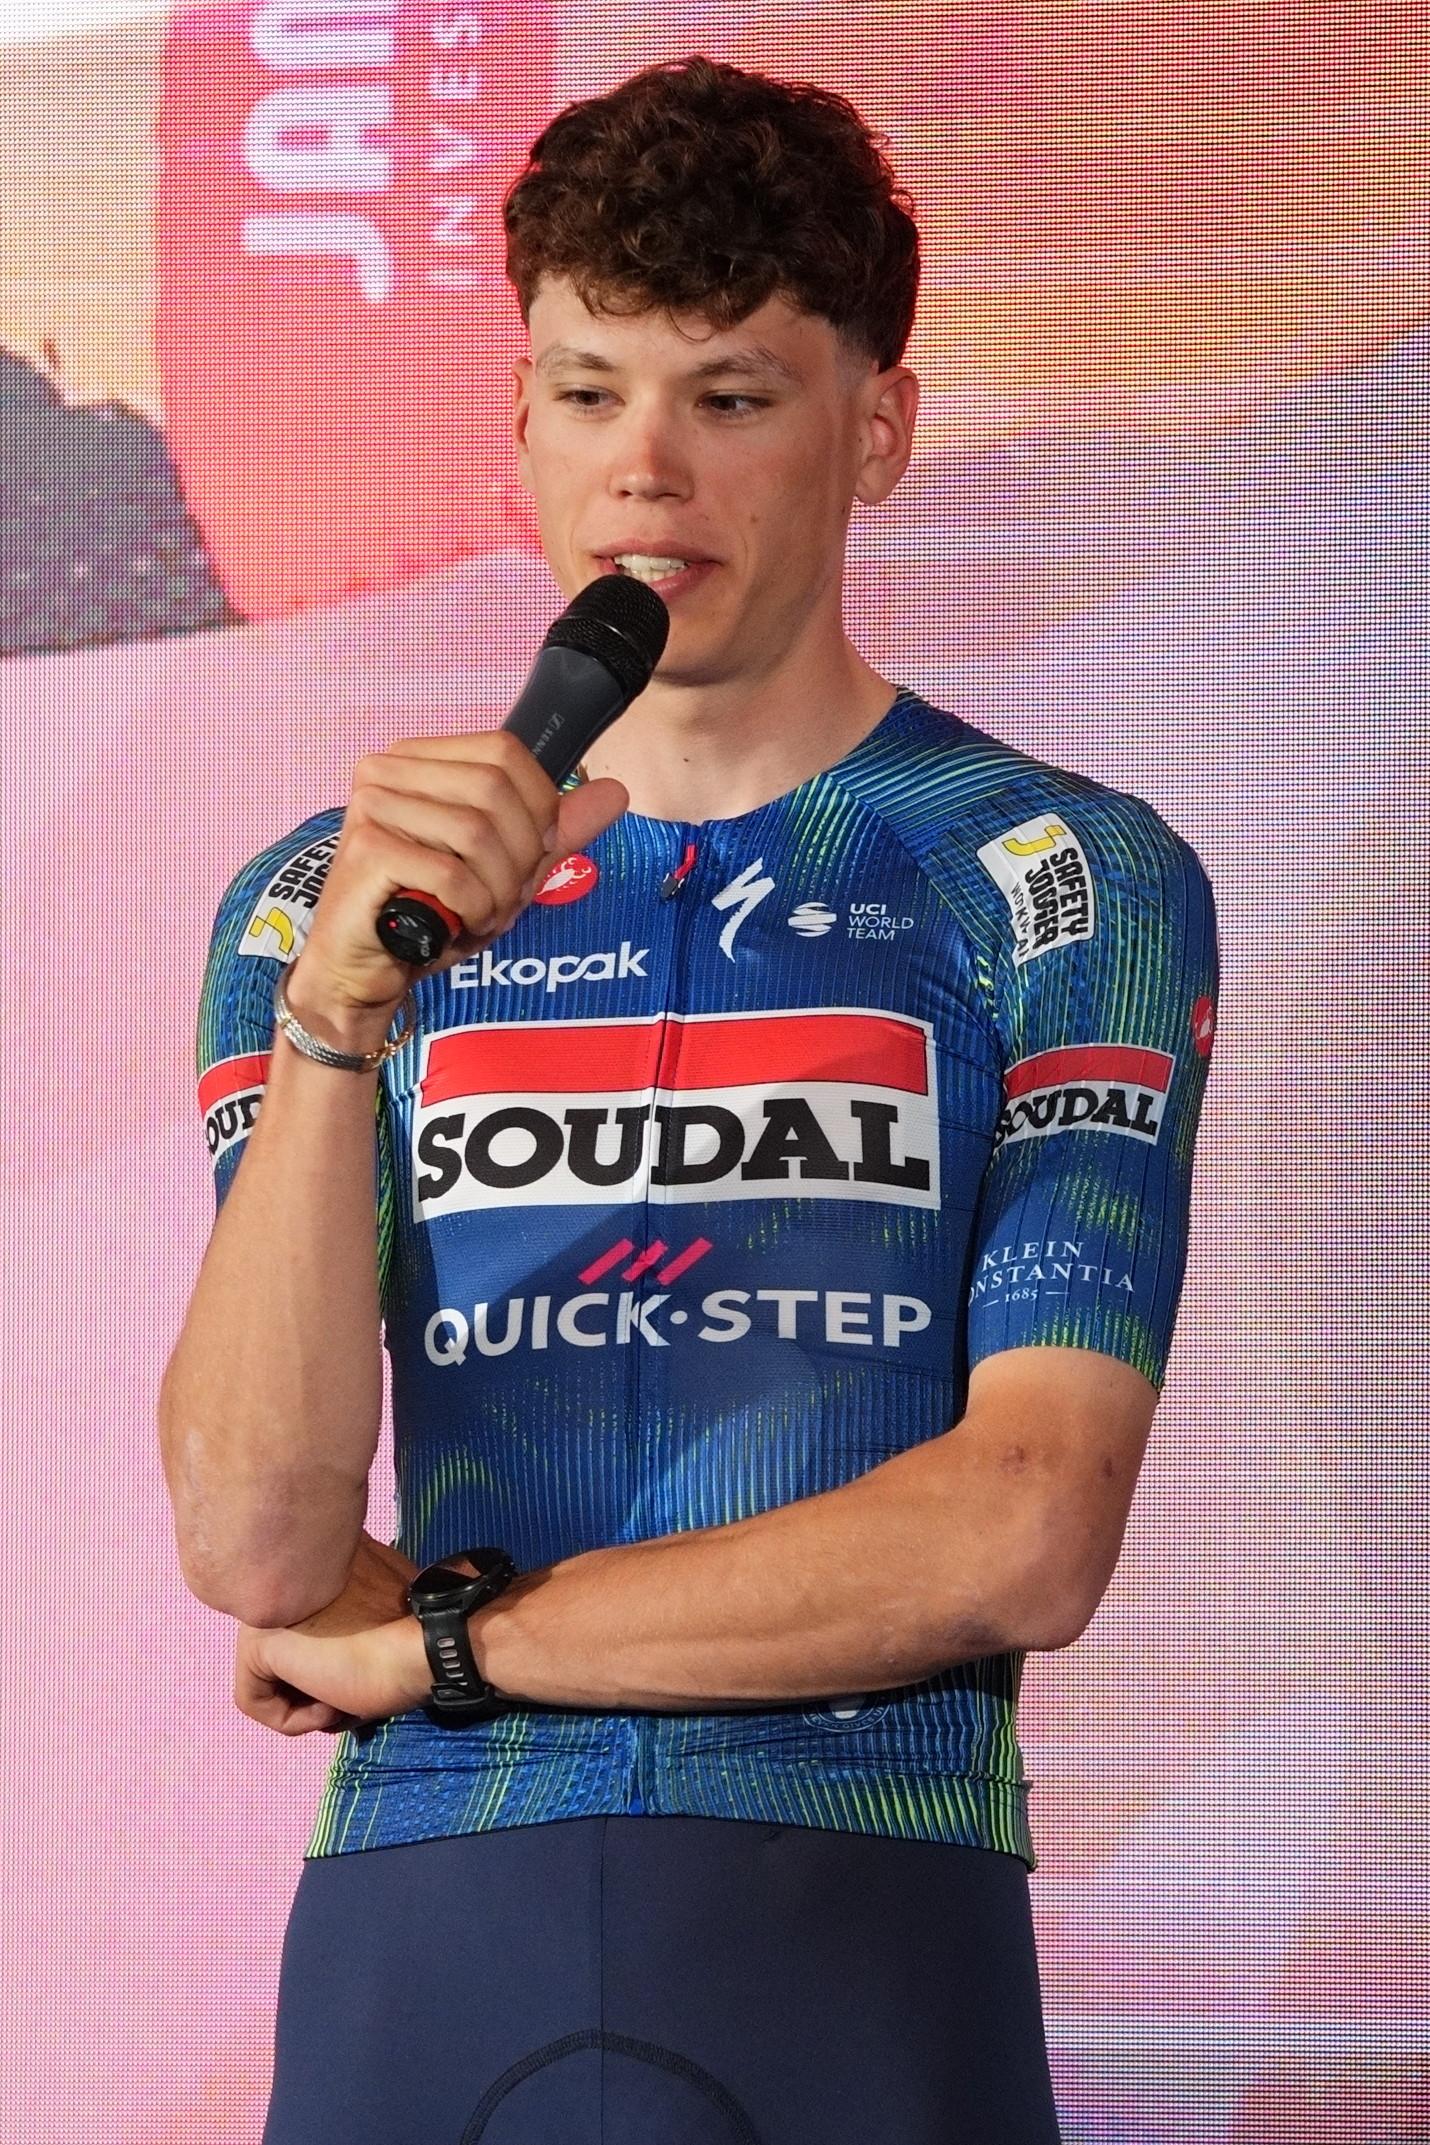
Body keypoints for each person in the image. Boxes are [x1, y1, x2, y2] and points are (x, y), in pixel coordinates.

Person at [159, 55, 1218, 2145]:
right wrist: (334, 1023)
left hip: (853, 1907)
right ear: (521, 420)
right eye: (584, 390)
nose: (644, 472)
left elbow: (1024, 1524)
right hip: (416, 1946)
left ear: (875, 424)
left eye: (728, 397)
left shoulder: (1047, 872)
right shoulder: (318, 903)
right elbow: (264, 1537)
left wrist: (446, 1644)